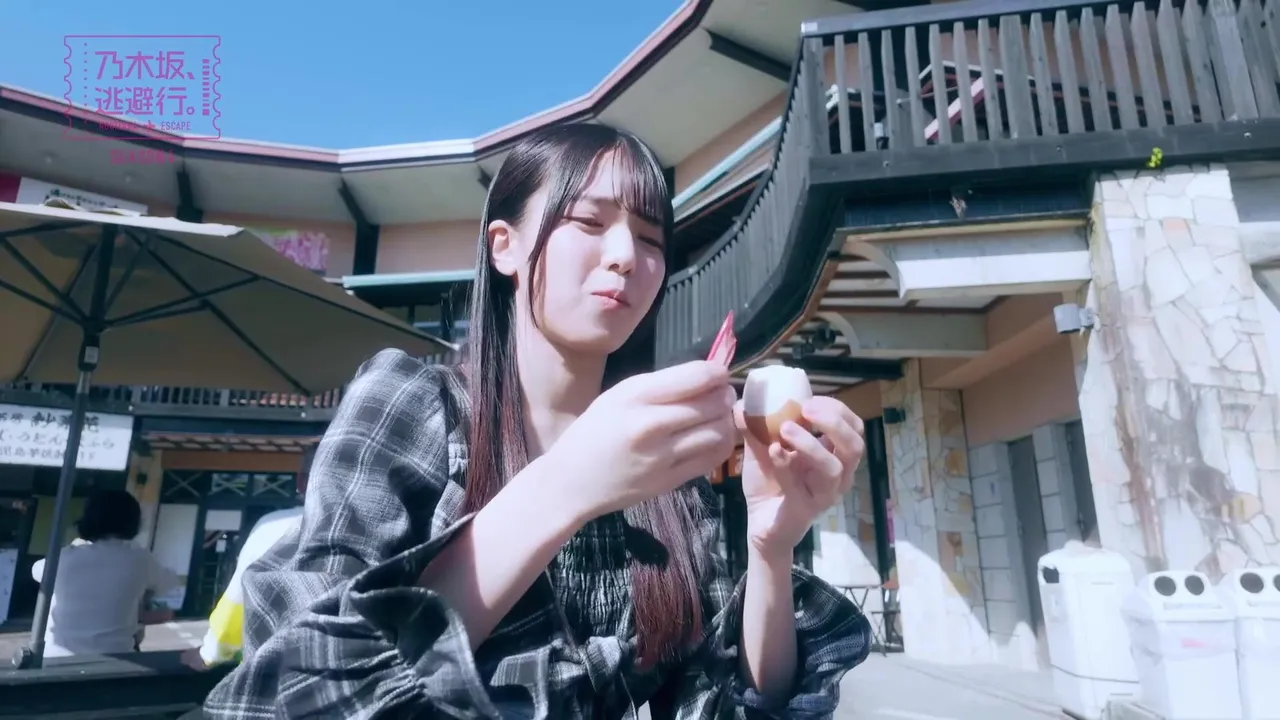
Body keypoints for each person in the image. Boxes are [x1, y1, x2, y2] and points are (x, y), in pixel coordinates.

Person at [204, 123, 871, 719]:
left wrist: (771, 548)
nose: (626, 255)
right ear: (505, 247)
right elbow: (296, 688)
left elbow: (726, 701)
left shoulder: (663, 471)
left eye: (650, 238)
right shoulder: (414, 404)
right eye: (589, 221)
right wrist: (568, 485)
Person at [180, 446, 315, 671]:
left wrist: (209, 653)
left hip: (278, 675)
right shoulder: (377, 531)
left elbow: (236, 607)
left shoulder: (275, 527)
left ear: (302, 482)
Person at [31, 489, 179, 657]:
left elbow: (36, 571)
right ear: (134, 523)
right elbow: (170, 582)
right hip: (115, 659)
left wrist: (74, 546)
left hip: (57, 658)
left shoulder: (65, 557)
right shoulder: (139, 559)